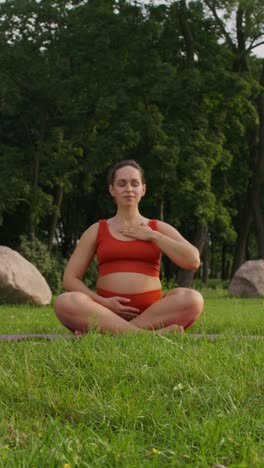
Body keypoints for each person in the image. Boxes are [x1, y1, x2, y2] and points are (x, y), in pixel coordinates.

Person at [54, 160, 203, 335]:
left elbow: (193, 260)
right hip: (106, 311)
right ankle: (147, 335)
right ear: (112, 190)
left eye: (135, 183)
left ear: (143, 189)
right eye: (122, 184)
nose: (129, 189)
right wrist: (103, 302)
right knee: (65, 301)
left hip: (152, 313)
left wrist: (153, 236)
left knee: (193, 299)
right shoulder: (97, 230)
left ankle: (109, 333)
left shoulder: (157, 228)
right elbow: (70, 279)